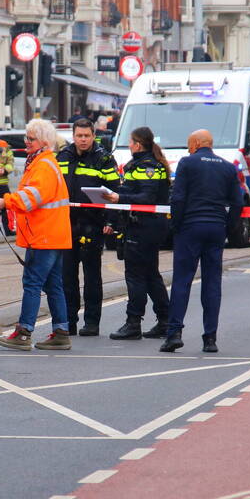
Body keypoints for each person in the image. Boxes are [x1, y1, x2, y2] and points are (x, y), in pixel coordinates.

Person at [0, 119, 72, 351]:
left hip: (43, 236)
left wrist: (3, 202)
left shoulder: (43, 166)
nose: (26, 142)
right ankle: (61, 332)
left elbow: (29, 199)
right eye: (26, 137)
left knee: (32, 283)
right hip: (52, 235)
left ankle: (24, 332)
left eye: (31, 138)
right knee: (53, 284)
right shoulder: (43, 163)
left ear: (44, 142)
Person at [160, 130, 244, 353]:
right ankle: (210, 339)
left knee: (182, 281)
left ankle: (174, 334)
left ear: (196, 143)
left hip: (190, 227)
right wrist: (227, 226)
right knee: (212, 283)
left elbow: (177, 198)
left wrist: (175, 226)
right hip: (216, 227)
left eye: (189, 144)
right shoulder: (228, 167)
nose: (188, 149)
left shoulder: (188, 163)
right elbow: (238, 202)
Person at [105, 126, 171, 340]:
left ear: (138, 144)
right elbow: (135, 192)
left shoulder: (148, 166)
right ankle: (165, 321)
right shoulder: (142, 164)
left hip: (144, 226)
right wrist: (116, 194)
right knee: (151, 275)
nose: (129, 145)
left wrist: (119, 198)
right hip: (144, 226)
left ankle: (134, 323)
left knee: (135, 276)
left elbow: (146, 197)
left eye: (130, 141)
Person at [56, 118, 120, 335]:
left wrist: (110, 221)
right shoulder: (63, 156)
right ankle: (69, 322)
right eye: (79, 136)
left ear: (94, 136)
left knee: (92, 277)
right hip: (67, 224)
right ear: (73, 136)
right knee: (67, 277)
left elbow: (114, 191)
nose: (82, 140)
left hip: (93, 224)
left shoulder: (103, 158)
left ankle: (92, 323)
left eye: (86, 136)